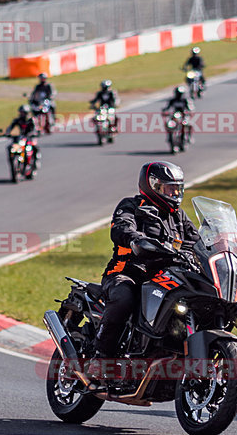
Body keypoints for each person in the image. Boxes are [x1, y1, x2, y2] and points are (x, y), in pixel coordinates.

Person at [85, 162, 200, 383]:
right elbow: (121, 227)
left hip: (164, 279)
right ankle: (100, 358)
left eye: (177, 189)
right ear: (153, 186)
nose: (175, 194)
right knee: (124, 297)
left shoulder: (179, 217)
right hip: (127, 273)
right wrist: (136, 238)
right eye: (169, 188)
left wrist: (222, 244)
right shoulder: (131, 206)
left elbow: (198, 242)